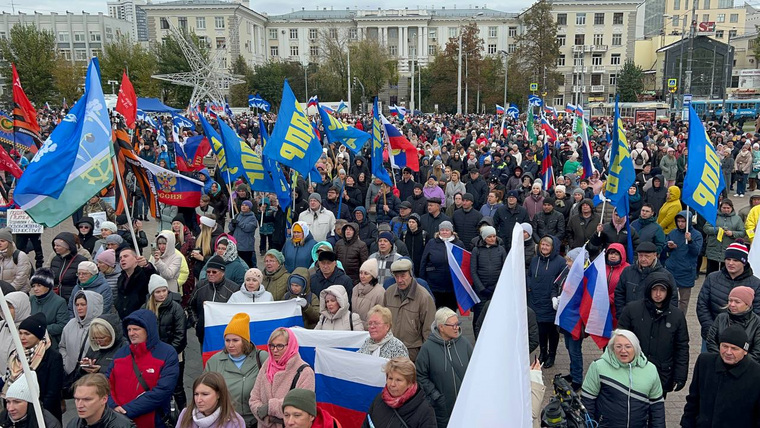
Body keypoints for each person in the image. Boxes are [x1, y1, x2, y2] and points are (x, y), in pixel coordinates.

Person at [617, 272, 690, 396]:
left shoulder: (677, 316)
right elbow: (619, 340)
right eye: (654, 289)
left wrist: (680, 375)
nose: (658, 294)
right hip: (633, 370)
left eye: (662, 290)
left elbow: (681, 347)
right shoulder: (632, 310)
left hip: (661, 373)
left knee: (656, 411)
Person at [106, 309, 180, 428]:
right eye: (129, 329)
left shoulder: (167, 353)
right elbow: (106, 383)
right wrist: (113, 407)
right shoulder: (121, 353)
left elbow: (162, 390)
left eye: (136, 329)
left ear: (148, 330)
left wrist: (125, 411)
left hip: (153, 422)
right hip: (119, 422)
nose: (131, 333)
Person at [580, 329, 665, 427]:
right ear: (612, 348)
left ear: (636, 348)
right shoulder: (598, 367)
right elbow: (587, 400)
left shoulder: (650, 369)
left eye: (628, 346)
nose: (623, 350)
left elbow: (657, 406)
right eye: (618, 346)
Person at [681, 325, 760, 427]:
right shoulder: (705, 363)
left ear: (745, 351)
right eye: (725, 346)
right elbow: (693, 401)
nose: (728, 352)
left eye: (734, 349)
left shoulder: (756, 374)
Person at [205, 313, 268, 426]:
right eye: (227, 340)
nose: (230, 345)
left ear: (244, 341)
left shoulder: (262, 358)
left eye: (235, 340)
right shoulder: (215, 361)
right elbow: (205, 390)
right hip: (226, 422)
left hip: (256, 421)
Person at [415, 308, 472, 428]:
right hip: (442, 409)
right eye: (453, 325)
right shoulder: (427, 348)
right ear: (441, 327)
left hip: (466, 405)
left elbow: (475, 369)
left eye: (458, 324)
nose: (457, 327)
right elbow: (420, 375)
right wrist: (436, 396)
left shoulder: (465, 344)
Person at [249, 327, 315, 428]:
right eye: (272, 345)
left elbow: (301, 405)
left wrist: (269, 408)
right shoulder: (267, 365)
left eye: (280, 346)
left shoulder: (305, 372)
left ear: (290, 346)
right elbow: (254, 399)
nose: (275, 350)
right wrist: (269, 419)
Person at [3, 312, 64, 420]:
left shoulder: (52, 357)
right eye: (20, 333)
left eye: (27, 334)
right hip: (16, 413)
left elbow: (53, 392)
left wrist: (38, 414)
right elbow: (9, 381)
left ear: (38, 335)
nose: (22, 337)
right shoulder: (15, 355)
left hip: (43, 414)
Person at [697, 241, 760, 342]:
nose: (730, 263)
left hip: (742, 339)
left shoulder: (756, 284)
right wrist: (712, 330)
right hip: (711, 336)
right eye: (728, 259)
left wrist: (741, 335)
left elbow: (757, 312)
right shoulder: (712, 278)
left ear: (744, 262)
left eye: (735, 260)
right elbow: (702, 305)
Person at [144, 275, 188, 409]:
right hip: (152, 356)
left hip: (174, 355)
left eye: (164, 291)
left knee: (177, 386)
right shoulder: (145, 308)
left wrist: (167, 354)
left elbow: (180, 336)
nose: (162, 294)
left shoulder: (176, 308)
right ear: (152, 293)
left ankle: (183, 414)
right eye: (158, 292)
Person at [383, 259, 436, 361]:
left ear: (411, 274)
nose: (399, 280)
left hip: (412, 352)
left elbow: (429, 331)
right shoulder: (389, 293)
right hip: (389, 349)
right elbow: (383, 320)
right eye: (396, 276)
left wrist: (425, 357)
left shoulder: (424, 297)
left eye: (403, 276)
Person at [362, 357, 437, 428]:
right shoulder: (379, 400)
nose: (392, 384)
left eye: (398, 380)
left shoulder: (425, 411)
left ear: (410, 383)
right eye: (390, 378)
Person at [527, 236, 565, 368]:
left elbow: (562, 280)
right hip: (536, 300)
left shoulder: (560, 262)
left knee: (552, 331)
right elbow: (530, 275)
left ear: (553, 247)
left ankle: (552, 354)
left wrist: (557, 296)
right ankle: (543, 352)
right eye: (542, 244)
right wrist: (529, 285)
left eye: (547, 245)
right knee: (540, 330)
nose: (544, 247)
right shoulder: (535, 260)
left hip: (551, 301)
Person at [614, 241, 677, 316]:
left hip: (655, 319)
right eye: (640, 256)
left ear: (655, 255)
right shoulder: (628, 271)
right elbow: (619, 294)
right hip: (630, 316)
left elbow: (672, 299)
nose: (643, 259)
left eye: (647, 256)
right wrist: (622, 314)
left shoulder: (665, 275)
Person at [190, 255, 239, 345]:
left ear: (223, 273)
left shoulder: (233, 289)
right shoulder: (200, 286)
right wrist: (196, 323)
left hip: (225, 336)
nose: (210, 274)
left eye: (214, 272)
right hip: (204, 334)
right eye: (208, 271)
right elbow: (190, 306)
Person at [706, 286, 760, 361]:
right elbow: (711, 341)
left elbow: (757, 351)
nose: (732, 304)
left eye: (737, 302)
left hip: (746, 367)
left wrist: (740, 363)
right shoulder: (721, 318)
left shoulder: (757, 323)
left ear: (747, 304)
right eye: (730, 301)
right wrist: (723, 359)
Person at [419, 221, 465, 310]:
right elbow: (424, 261)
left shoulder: (459, 244)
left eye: (447, 230)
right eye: (442, 230)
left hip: (451, 286)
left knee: (450, 312)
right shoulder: (432, 243)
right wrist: (423, 279)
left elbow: (463, 263)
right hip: (434, 285)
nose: (444, 232)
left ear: (451, 231)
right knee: (434, 312)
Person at [663, 210, 703, 312]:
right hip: (672, 269)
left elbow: (696, 252)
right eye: (679, 221)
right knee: (669, 297)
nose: (680, 224)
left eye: (683, 221)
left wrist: (690, 241)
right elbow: (664, 248)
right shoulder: (673, 233)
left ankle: (680, 319)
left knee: (683, 301)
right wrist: (669, 246)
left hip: (686, 271)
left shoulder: (696, 235)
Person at [61, 291, 104, 384]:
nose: (79, 308)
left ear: (92, 306)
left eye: (83, 304)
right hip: (70, 373)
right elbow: (62, 346)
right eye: (77, 305)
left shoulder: (100, 326)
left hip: (91, 376)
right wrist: (66, 363)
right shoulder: (70, 324)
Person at [176, 372, 245, 428]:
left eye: (205, 394)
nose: (198, 400)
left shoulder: (235, 422)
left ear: (219, 394)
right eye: (196, 394)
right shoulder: (185, 414)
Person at [470, 225, 506, 327]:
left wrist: (495, 287)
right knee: (479, 317)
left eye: (494, 236)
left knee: (495, 316)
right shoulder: (476, 250)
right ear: (484, 237)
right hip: (481, 291)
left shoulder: (501, 250)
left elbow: (505, 270)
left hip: (496, 290)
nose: (492, 239)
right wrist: (481, 288)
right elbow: (473, 271)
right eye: (489, 237)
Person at [69, 373, 135, 428]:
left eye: (87, 399)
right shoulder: (73, 424)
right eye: (77, 399)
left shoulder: (122, 426)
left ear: (104, 399)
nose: (79, 405)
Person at [29, 267, 68, 348]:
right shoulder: (31, 300)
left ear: (48, 286)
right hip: (32, 342)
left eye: (39, 285)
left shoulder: (59, 302)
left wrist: (41, 329)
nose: (35, 289)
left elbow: (62, 325)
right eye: (34, 286)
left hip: (51, 342)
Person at [115, 249, 157, 319]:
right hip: (124, 318)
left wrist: (146, 265)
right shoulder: (121, 278)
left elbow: (153, 277)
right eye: (120, 258)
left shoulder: (144, 274)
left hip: (141, 317)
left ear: (136, 259)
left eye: (126, 256)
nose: (122, 259)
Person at [49, 232, 88, 301]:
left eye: (58, 246)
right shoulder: (55, 259)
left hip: (73, 299)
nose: (55, 248)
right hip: (56, 298)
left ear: (67, 246)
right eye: (55, 245)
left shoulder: (81, 261)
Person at [351, 259, 384, 328]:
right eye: (361, 273)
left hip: (371, 330)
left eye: (366, 273)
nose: (362, 276)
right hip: (354, 329)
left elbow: (381, 316)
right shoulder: (355, 289)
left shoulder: (380, 292)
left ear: (373, 275)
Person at [0, 228, 31, 292]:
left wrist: (7, 290)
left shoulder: (20, 255)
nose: (0, 243)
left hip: (17, 294)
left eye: (2, 241)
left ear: (9, 242)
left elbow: (21, 278)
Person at [230, 200, 259, 269]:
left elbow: (248, 228)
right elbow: (230, 228)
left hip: (246, 247)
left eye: (246, 205)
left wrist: (239, 223)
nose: (244, 207)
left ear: (249, 208)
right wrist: (233, 224)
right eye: (243, 205)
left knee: (247, 265)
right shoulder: (237, 215)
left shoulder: (252, 218)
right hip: (236, 246)